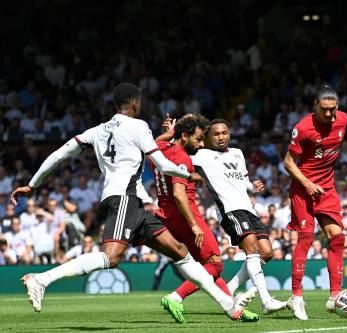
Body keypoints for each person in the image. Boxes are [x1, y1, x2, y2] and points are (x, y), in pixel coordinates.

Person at [11, 83, 256, 322]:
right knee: (111, 258)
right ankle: (42, 279)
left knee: (180, 252)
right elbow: (162, 164)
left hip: (134, 202)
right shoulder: (138, 126)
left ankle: (229, 307)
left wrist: (33, 184)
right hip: (124, 198)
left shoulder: (95, 131)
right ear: (136, 104)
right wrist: (187, 174)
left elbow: (60, 153)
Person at [150, 115, 260, 323]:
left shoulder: (160, 151)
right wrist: (194, 225)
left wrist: (171, 133)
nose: (201, 144)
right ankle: (175, 297)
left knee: (208, 267)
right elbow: (179, 194)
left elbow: (156, 142)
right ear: (185, 136)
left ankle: (233, 308)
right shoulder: (182, 157)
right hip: (185, 215)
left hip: (167, 216)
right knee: (215, 265)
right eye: (199, 139)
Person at [188, 118, 287, 314]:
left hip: (248, 208)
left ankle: (230, 288)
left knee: (266, 252)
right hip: (229, 210)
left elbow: (243, 180)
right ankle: (266, 301)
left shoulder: (237, 153)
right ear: (207, 137)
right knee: (252, 249)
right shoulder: (201, 155)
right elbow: (176, 160)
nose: (221, 137)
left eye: (224, 133)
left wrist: (253, 186)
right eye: (215, 134)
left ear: (230, 134)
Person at [283, 85, 347, 320]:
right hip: (303, 189)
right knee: (307, 237)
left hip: (327, 188)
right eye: (324, 110)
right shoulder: (303, 128)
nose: (329, 114)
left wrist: (319, 184)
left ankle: (335, 296)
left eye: (333, 109)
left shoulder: (343, 120)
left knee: (338, 238)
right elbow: (288, 163)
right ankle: (297, 297)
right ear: (315, 106)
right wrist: (308, 184)